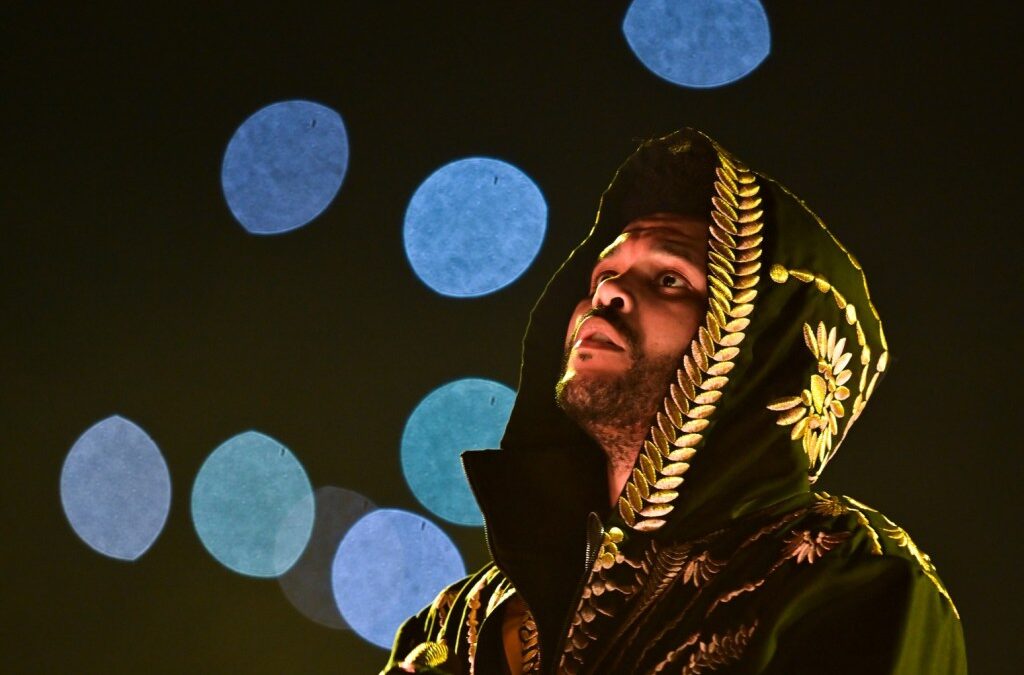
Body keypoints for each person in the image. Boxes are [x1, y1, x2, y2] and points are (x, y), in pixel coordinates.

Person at [382, 128, 967, 674]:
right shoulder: (460, 617)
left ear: (756, 353)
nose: (608, 291)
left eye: (669, 279)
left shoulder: (844, 577)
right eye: (603, 273)